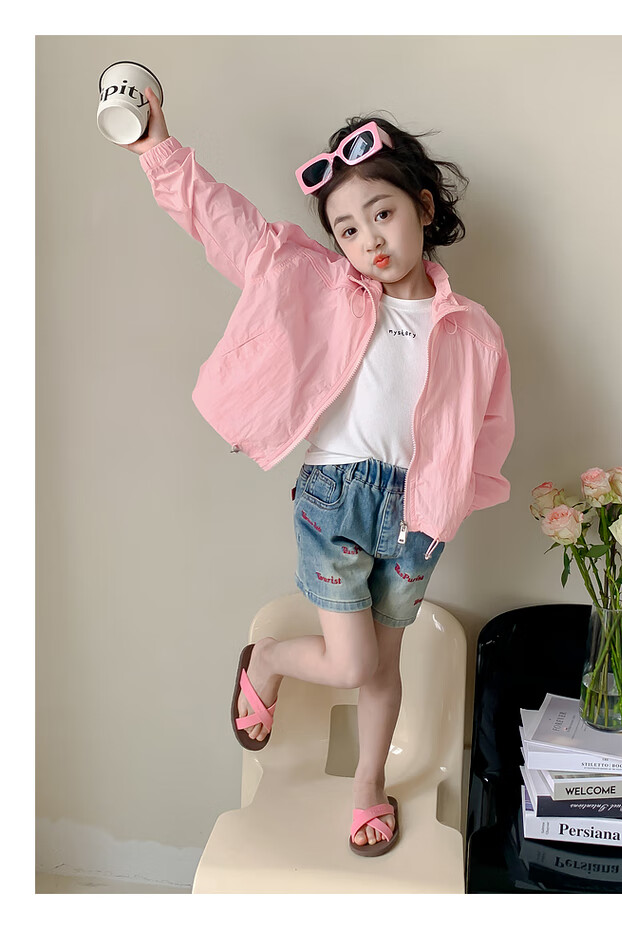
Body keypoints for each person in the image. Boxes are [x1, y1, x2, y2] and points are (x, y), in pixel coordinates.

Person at [124, 87, 515, 856]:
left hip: (419, 517)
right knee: (354, 660)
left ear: (423, 208)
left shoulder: (474, 330)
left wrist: (450, 506)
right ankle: (267, 661)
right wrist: (158, 150)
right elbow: (228, 227)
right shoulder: (319, 284)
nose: (368, 239)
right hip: (335, 500)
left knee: (384, 668)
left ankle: (369, 785)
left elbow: (488, 430)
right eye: (347, 228)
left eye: (382, 213)